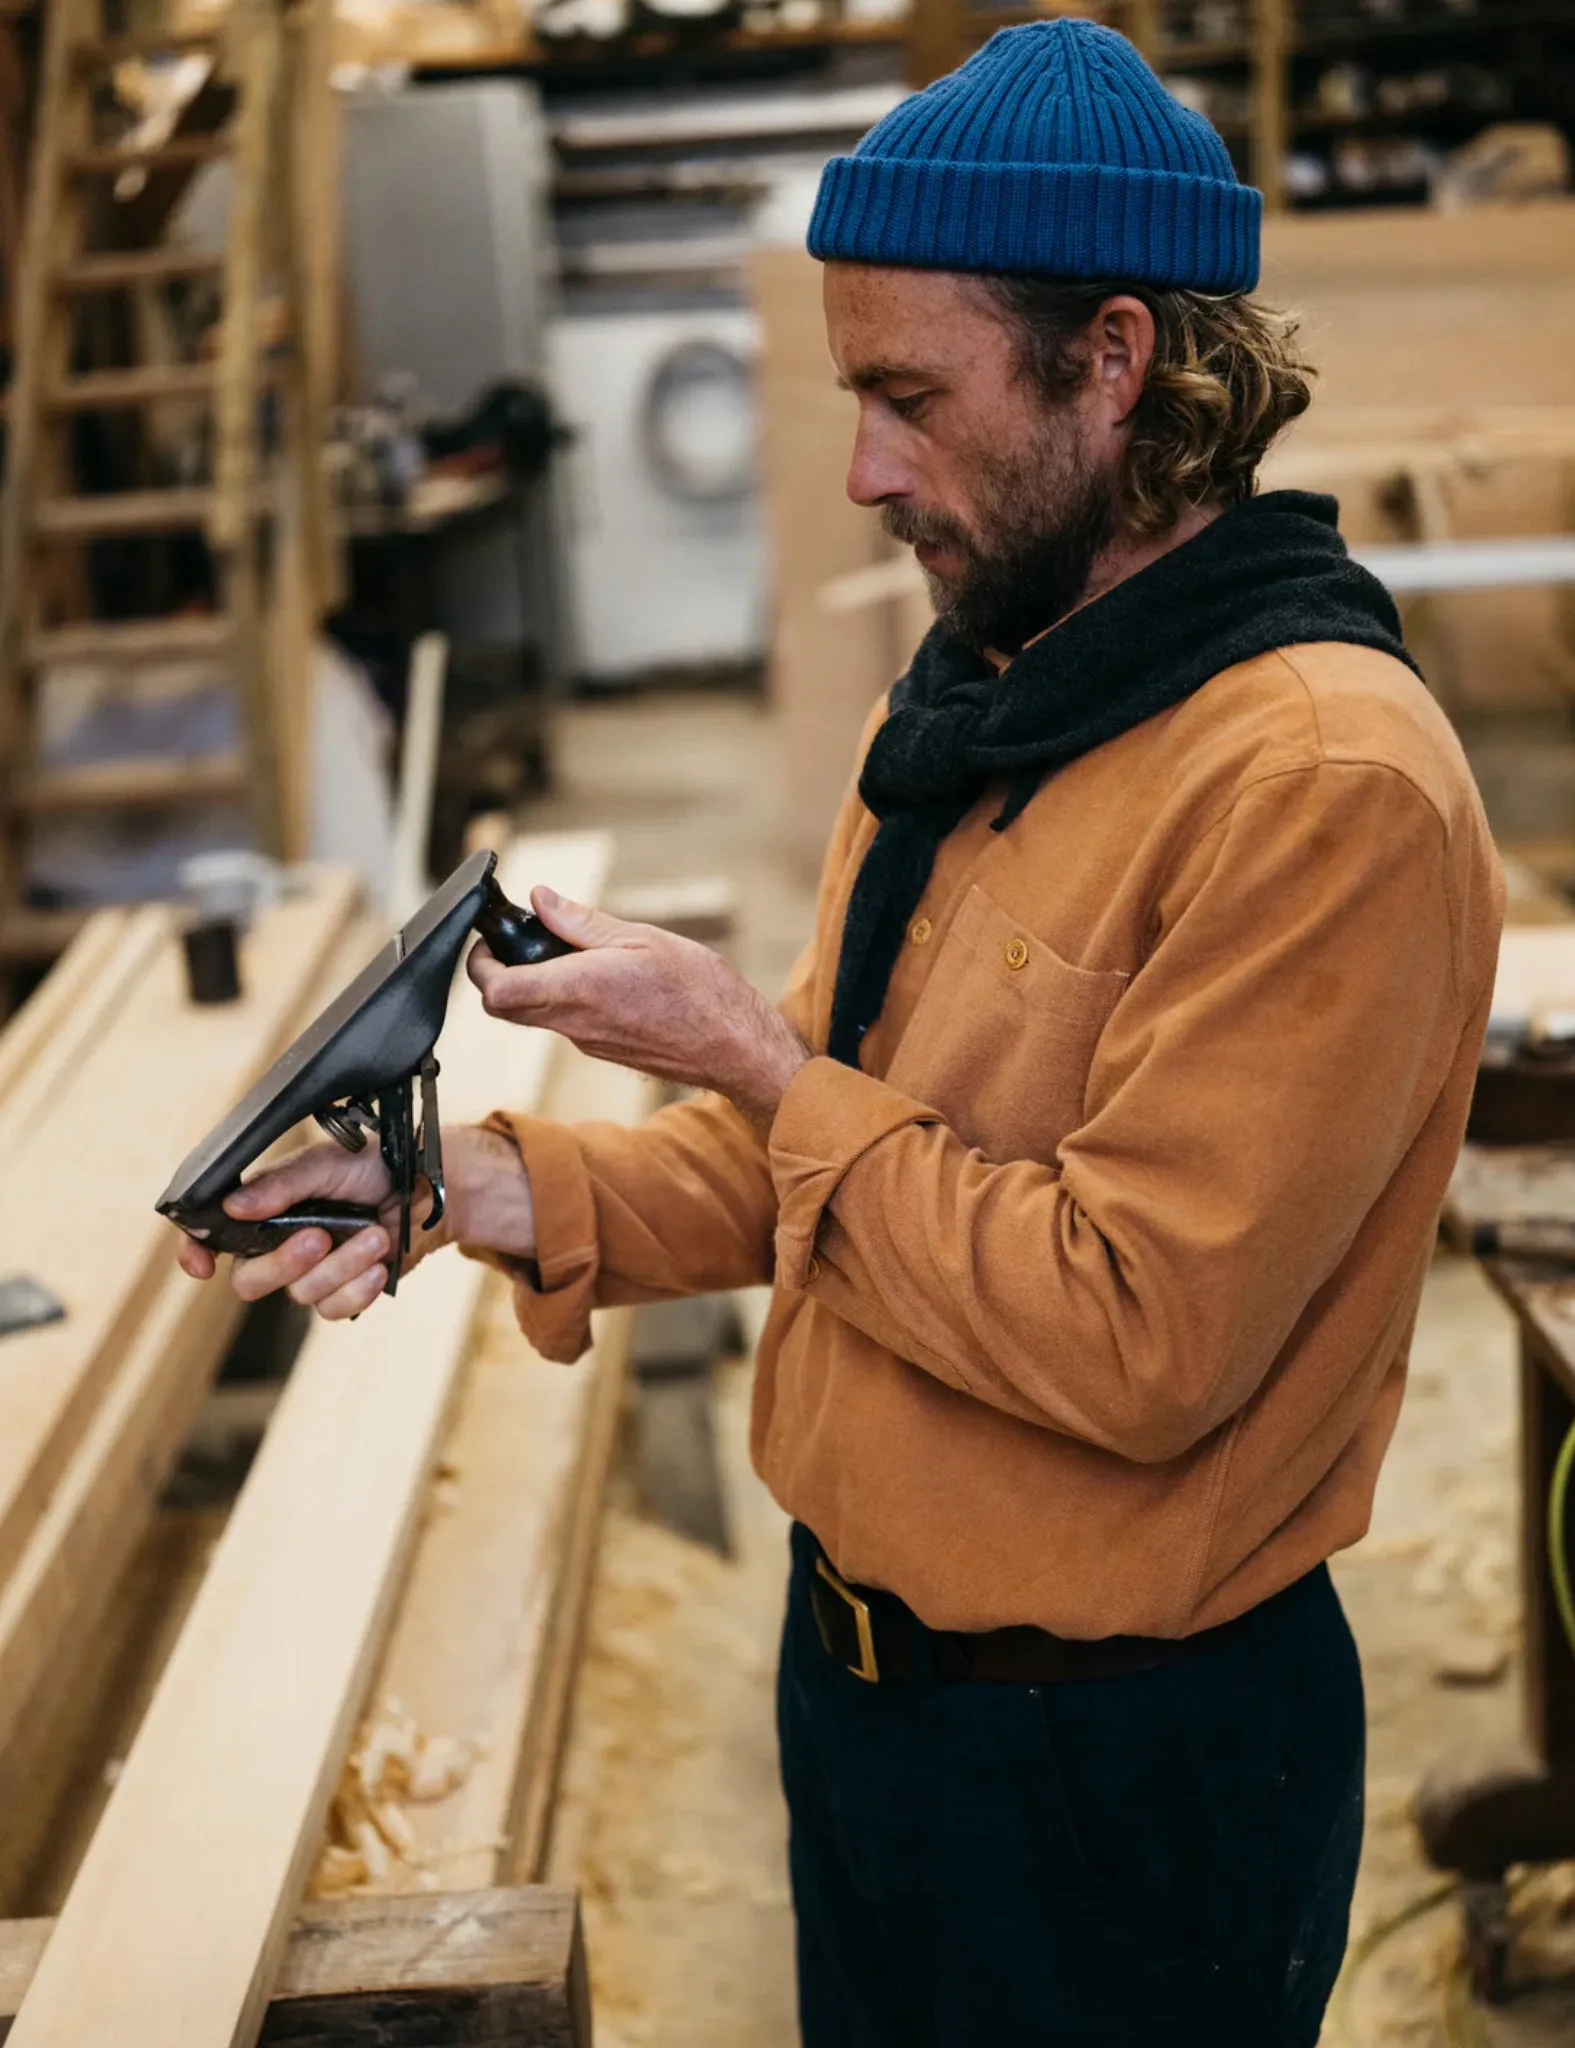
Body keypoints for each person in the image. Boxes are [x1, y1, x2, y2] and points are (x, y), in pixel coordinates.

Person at [176, 21, 1504, 2045]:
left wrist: (756, 1059)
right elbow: (824, 1164)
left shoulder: (1316, 783)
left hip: (1114, 1775)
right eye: (850, 399)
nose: (867, 470)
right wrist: (470, 1188)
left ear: (1114, 362)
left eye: (909, 398)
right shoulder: (996, 694)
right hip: (875, 1704)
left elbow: (1136, 1334)